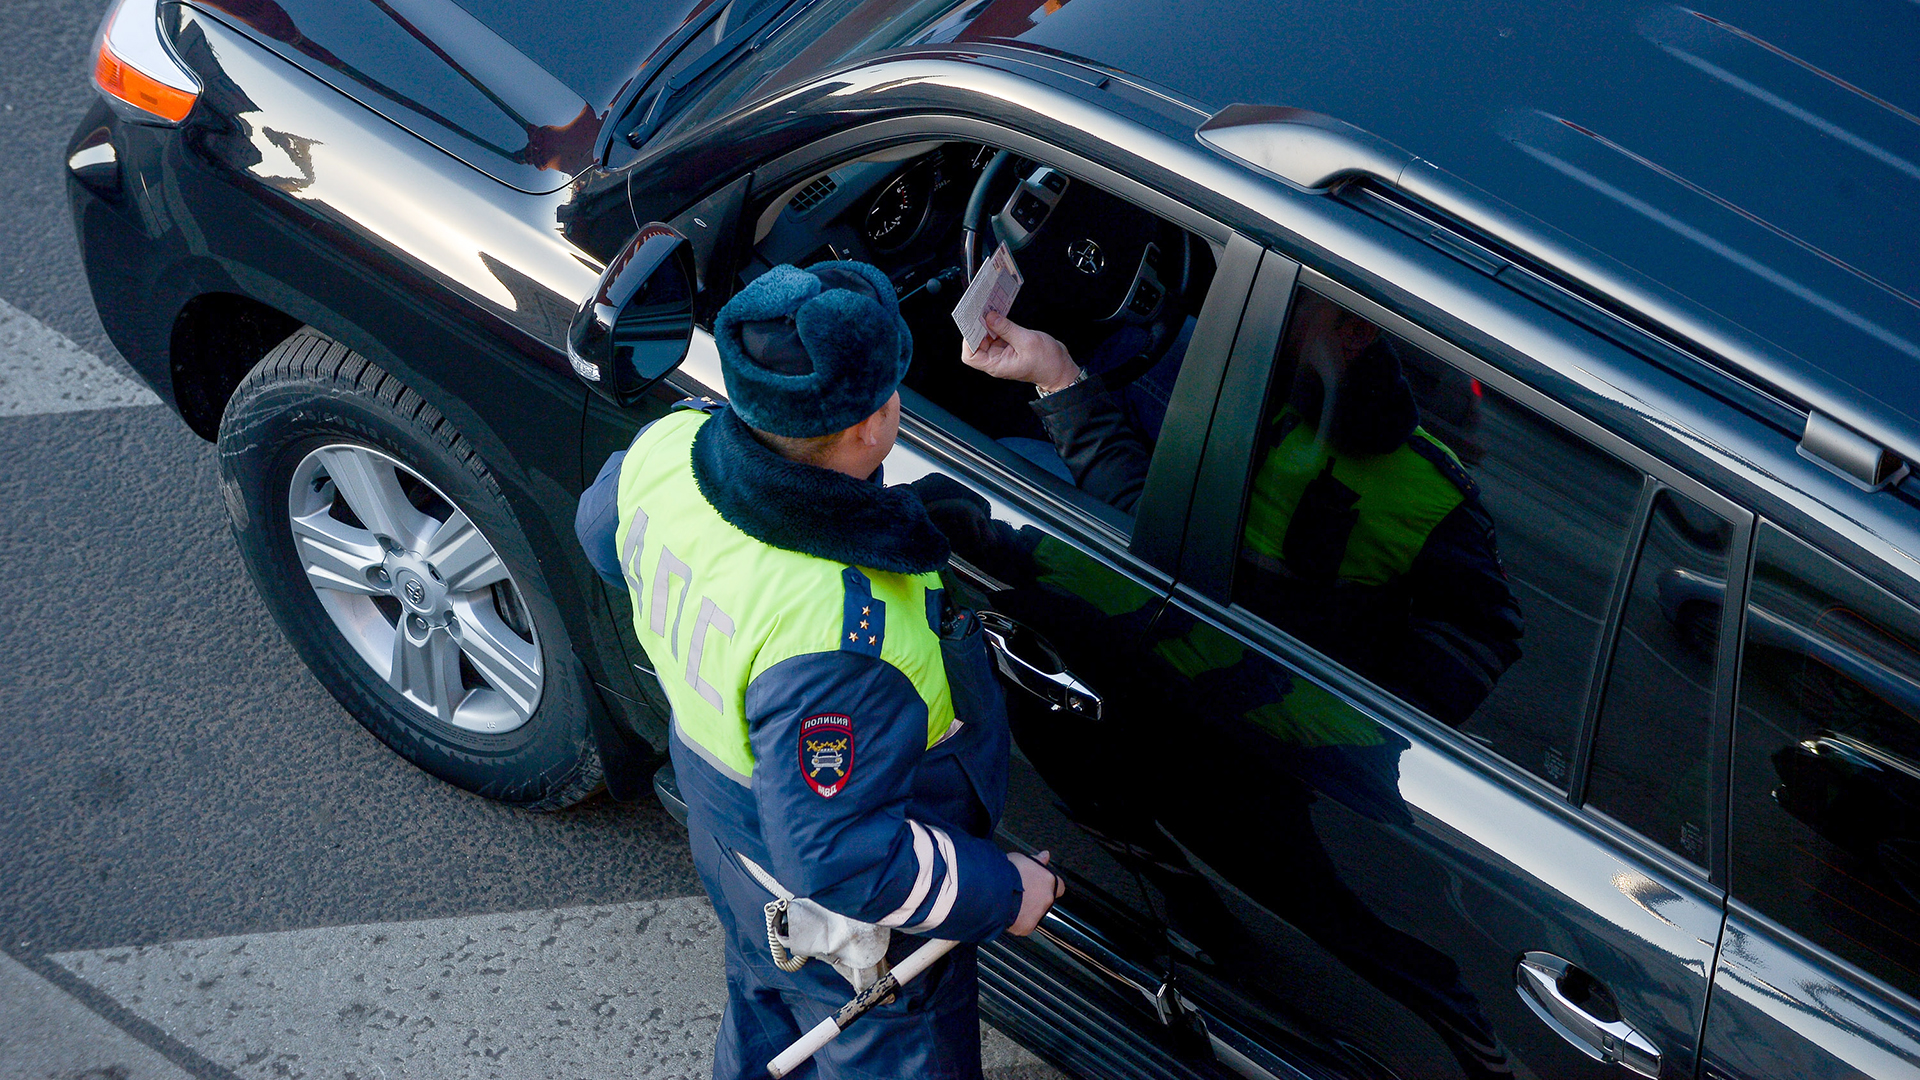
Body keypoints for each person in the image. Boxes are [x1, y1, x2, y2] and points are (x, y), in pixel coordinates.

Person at [577, 262, 1063, 1080]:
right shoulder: (842, 630)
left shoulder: (668, 446)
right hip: (847, 925)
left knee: (766, 1011)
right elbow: (842, 859)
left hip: (722, 827)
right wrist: (1006, 892)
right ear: (871, 428)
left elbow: (602, 539)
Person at [963, 295, 1521, 727]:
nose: (1268, 319)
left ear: (1355, 334)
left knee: (1008, 466)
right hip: (1200, 664)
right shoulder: (1283, 391)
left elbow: (1484, 641)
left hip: (1216, 700)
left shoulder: (1432, 496)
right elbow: (1155, 524)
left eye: (1295, 306)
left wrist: (1337, 717)